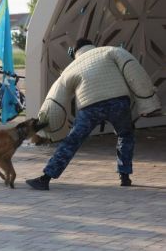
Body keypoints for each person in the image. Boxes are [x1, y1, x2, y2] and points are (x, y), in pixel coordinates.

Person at [26, 38, 161, 190]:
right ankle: (124, 176)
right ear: (92, 46)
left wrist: (52, 128)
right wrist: (148, 103)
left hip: (90, 107)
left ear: (76, 52)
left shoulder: (71, 68)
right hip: (119, 102)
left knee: (72, 141)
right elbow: (134, 71)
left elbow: (55, 99)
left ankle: (45, 178)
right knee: (125, 135)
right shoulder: (110, 51)